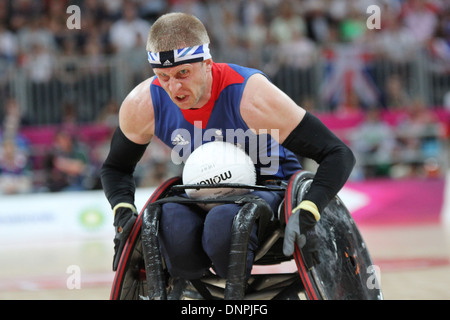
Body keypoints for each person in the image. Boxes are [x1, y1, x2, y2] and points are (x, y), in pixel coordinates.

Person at [100, 13, 355, 281]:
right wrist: (122, 211)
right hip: (205, 191)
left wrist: (310, 208)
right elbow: (115, 168)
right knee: (168, 223)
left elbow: (337, 153)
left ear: (207, 63)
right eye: (163, 76)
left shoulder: (250, 94)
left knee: (223, 224)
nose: (174, 87)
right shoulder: (143, 104)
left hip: (271, 187)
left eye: (183, 73)